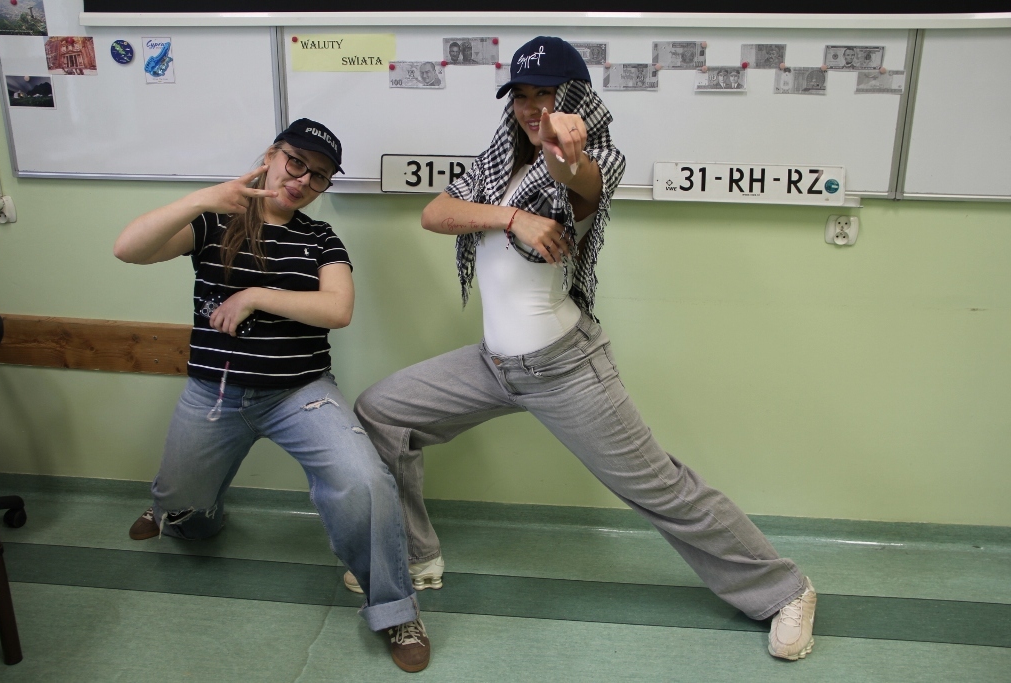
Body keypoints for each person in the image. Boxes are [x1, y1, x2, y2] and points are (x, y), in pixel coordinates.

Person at [350, 36, 818, 661]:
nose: (532, 107)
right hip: (493, 364)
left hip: (565, 367)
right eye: (522, 95)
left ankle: (786, 590)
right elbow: (436, 213)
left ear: (573, 99)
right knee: (382, 411)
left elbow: (580, 179)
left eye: (546, 94)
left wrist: (563, 151)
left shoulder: (594, 159)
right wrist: (510, 217)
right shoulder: (497, 163)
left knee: (661, 488)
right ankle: (415, 554)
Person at [112, 118, 430, 673]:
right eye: (296, 162)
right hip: (215, 392)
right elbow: (128, 250)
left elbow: (338, 309)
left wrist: (256, 294)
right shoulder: (214, 221)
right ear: (271, 156)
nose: (302, 179)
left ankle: (396, 611)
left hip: (300, 393)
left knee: (366, 482)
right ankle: (183, 507)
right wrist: (205, 198)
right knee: (183, 512)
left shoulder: (319, 238)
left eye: (319, 175)